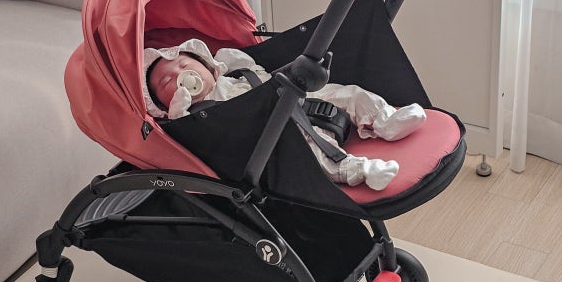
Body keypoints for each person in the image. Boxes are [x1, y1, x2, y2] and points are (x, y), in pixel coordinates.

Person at [143, 39, 426, 191]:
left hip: (300, 99)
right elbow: (193, 135)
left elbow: (262, 72)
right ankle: (358, 170)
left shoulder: (235, 73)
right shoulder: (196, 115)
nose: (179, 75)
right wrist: (180, 111)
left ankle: (385, 120)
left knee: (347, 92)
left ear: (207, 64)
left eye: (184, 65)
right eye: (166, 82)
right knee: (310, 150)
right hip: (279, 132)